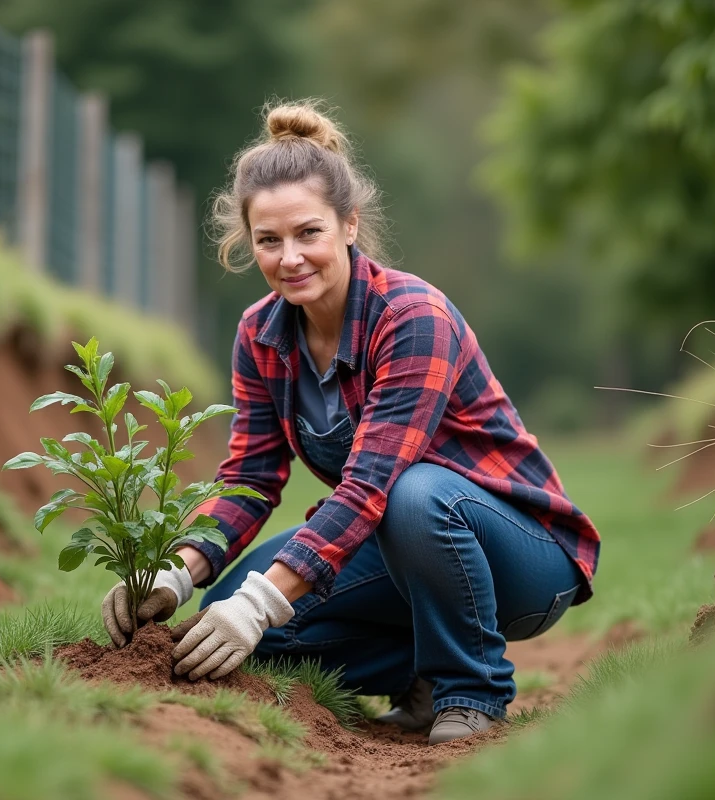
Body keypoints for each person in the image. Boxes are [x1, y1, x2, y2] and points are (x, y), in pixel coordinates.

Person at [102, 100, 600, 745]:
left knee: (412, 495)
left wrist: (262, 601)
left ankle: (472, 689)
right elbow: (249, 477)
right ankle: (418, 675)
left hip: (524, 557)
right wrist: (175, 569)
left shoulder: (412, 317)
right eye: (269, 240)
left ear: (349, 224)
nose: (290, 258)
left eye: (308, 233)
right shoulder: (259, 334)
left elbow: (370, 485)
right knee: (222, 619)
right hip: (400, 549)